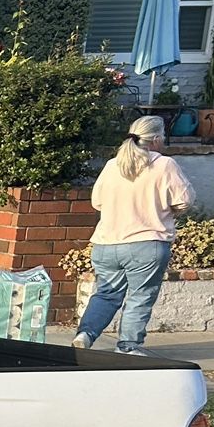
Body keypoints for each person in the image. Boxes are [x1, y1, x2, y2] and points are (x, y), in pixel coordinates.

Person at [73, 114, 194, 354]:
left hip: (106, 243)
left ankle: (86, 334)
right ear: (157, 138)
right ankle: (128, 347)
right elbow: (185, 200)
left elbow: (97, 202)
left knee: (106, 294)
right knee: (140, 297)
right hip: (146, 244)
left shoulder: (112, 165)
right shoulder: (164, 164)